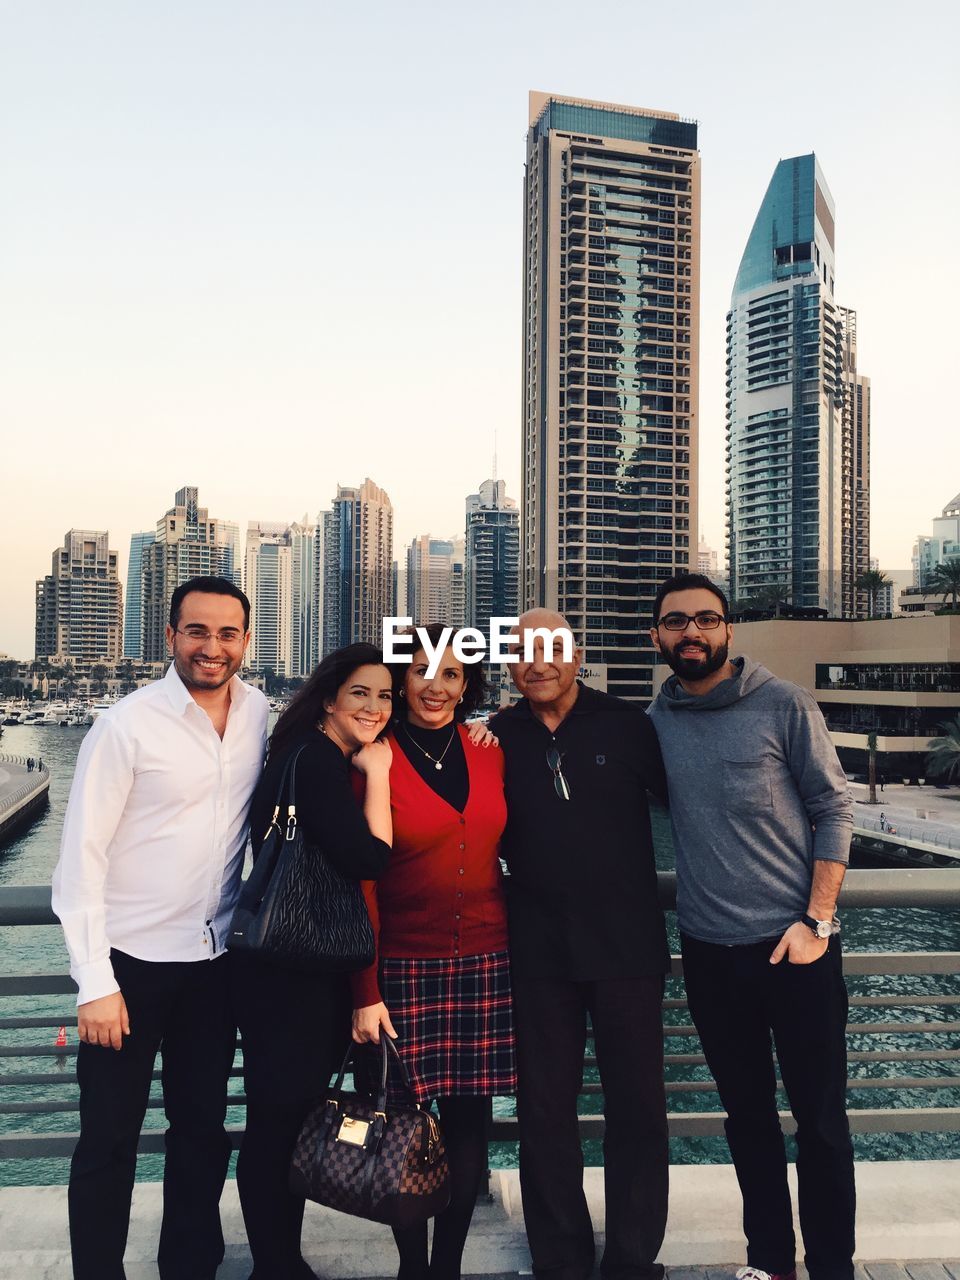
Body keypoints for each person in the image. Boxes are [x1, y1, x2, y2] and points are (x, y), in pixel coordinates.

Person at [51, 576, 269, 1280]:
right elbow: (79, 858)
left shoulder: (261, 715)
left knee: (202, 1134)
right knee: (108, 1141)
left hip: (214, 965)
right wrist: (93, 983)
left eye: (227, 633)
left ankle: (189, 1267)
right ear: (171, 635)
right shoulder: (125, 725)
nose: (212, 647)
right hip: (128, 967)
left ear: (245, 640)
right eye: (197, 631)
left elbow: (350, 729)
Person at [648, 572, 855, 1280]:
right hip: (710, 955)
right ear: (658, 638)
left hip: (797, 949)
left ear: (728, 630)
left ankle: (831, 1267)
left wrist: (817, 921)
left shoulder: (784, 704)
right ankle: (771, 1262)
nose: (692, 633)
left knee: (821, 1124)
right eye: (676, 622)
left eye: (706, 619)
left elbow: (835, 809)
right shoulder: (659, 720)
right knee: (749, 1122)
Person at [490, 609, 670, 1280]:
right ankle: (560, 1260)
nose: (537, 662)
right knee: (544, 1114)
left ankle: (630, 1257)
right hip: (535, 954)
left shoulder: (629, 727)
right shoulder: (493, 739)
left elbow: (700, 803)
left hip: (627, 951)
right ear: (510, 663)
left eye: (551, 648)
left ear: (576, 654)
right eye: (523, 650)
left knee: (640, 1110)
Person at [352, 622, 516, 1280]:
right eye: (422, 671)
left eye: (451, 674)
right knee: (401, 1129)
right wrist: (364, 991)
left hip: (485, 959)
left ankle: (445, 1267)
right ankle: (412, 1268)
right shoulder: (373, 755)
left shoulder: (489, 752)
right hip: (398, 968)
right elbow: (360, 884)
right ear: (401, 679)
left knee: (469, 1125)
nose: (436, 687)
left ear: (467, 683)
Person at [232, 642, 394, 1280]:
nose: (375, 706)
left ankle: (279, 1259)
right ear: (329, 698)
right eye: (360, 693)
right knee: (278, 1123)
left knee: (283, 1117)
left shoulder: (294, 753)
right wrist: (378, 775)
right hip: (292, 976)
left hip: (287, 964)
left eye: (384, 695)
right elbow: (370, 859)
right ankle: (274, 1265)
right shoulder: (321, 764)